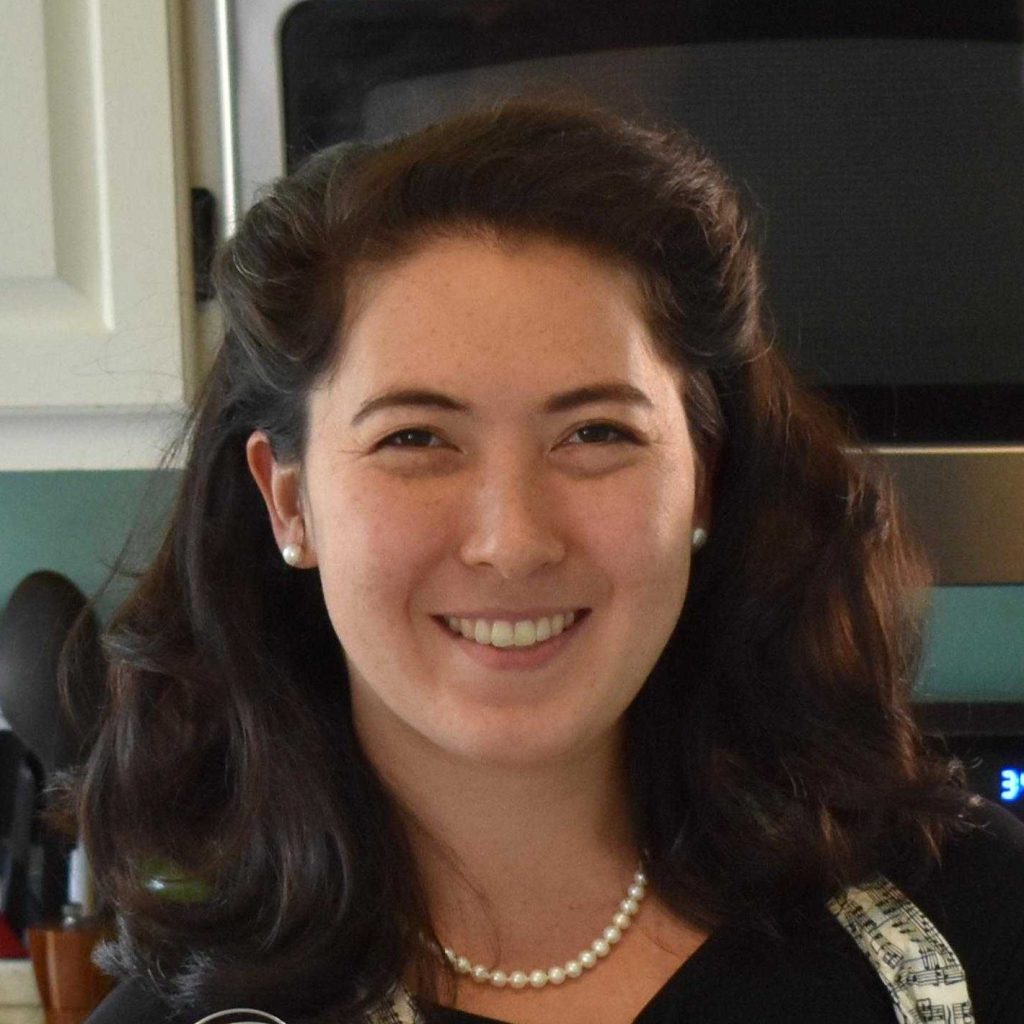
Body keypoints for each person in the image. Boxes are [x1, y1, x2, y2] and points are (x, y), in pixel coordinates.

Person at [77, 100, 1023, 1024]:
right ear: (289, 501)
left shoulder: (975, 916)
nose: (514, 540)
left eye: (594, 432)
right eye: (416, 438)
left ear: (703, 477)